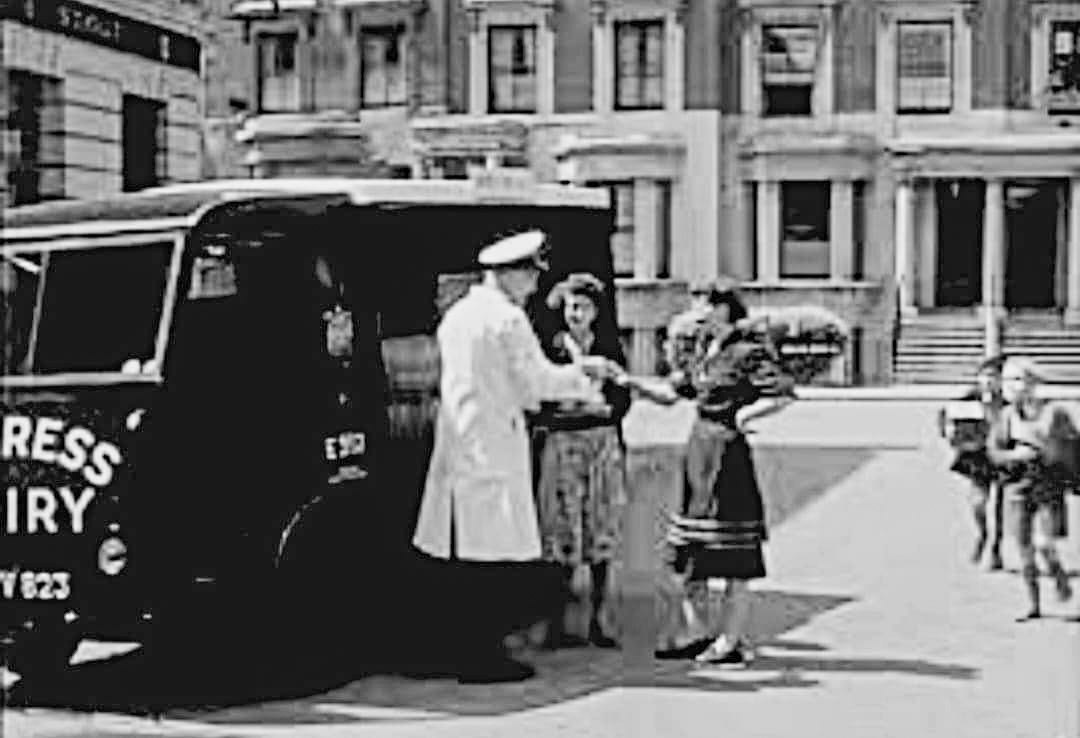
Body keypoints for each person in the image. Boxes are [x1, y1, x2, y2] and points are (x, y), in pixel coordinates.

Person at [412, 230, 620, 683]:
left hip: (459, 444)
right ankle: (481, 656)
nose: (534, 287)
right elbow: (536, 384)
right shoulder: (507, 319)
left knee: (456, 558)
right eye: (531, 277)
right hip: (492, 447)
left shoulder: (458, 315)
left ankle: (456, 649)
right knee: (490, 563)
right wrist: (585, 373)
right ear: (512, 274)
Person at [647, 283, 796, 666]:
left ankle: (730, 640)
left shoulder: (747, 352)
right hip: (698, 451)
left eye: (706, 304)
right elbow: (674, 393)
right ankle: (696, 629)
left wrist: (746, 415)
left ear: (725, 309)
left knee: (733, 552)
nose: (698, 311)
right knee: (692, 550)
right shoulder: (703, 351)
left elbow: (781, 393)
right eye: (696, 303)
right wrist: (624, 382)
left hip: (727, 455)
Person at [534, 272, 631, 649]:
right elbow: (538, 394)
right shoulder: (552, 348)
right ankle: (555, 622)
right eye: (572, 306)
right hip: (562, 439)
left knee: (600, 526)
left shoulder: (608, 345)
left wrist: (611, 407)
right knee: (562, 527)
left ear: (595, 312)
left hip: (600, 439)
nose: (577, 313)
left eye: (585, 307)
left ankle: (599, 618)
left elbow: (624, 393)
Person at [986, 356, 1076, 622]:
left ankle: (1057, 573)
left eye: (1017, 378)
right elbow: (994, 451)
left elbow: (1072, 448)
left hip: (1049, 487)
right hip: (1017, 488)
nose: (1010, 385)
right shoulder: (1006, 416)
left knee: (1044, 543)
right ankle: (1033, 604)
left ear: (1032, 382)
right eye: (1007, 379)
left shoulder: (1055, 413)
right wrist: (1014, 456)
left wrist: (1052, 454)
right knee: (1024, 549)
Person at [939, 355, 1007, 570]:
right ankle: (983, 534)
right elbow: (947, 420)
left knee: (1000, 508)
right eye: (984, 376)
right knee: (977, 504)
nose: (988, 381)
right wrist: (949, 431)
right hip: (978, 458)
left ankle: (995, 548)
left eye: (993, 377)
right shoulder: (968, 400)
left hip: (1005, 459)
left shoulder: (1009, 402)